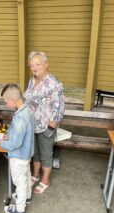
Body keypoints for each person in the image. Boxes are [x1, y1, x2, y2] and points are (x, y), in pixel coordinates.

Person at [23, 51, 64, 194]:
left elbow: (59, 107)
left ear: (46, 64)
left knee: (46, 154)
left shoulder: (54, 83)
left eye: (38, 64)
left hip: (46, 126)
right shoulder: (32, 80)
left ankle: (45, 180)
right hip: (32, 124)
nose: (35, 68)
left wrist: (51, 126)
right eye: (32, 65)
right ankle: (35, 174)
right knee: (35, 153)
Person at [0, 83, 34, 213]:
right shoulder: (27, 110)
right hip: (26, 153)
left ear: (13, 100)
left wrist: (2, 143)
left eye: (6, 102)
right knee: (25, 176)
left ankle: (20, 208)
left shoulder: (20, 118)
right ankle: (27, 197)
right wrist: (10, 134)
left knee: (19, 181)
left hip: (18, 156)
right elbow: (21, 133)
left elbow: (15, 144)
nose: (6, 104)